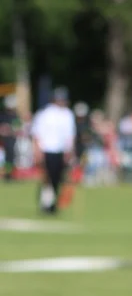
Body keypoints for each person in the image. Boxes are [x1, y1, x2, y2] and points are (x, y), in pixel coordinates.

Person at [30, 86, 77, 214]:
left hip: (61, 151)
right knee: (47, 178)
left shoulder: (68, 114)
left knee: (57, 178)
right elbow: (37, 134)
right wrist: (37, 151)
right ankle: (45, 202)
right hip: (47, 150)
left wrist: (70, 152)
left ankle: (53, 202)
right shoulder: (45, 114)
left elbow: (70, 135)